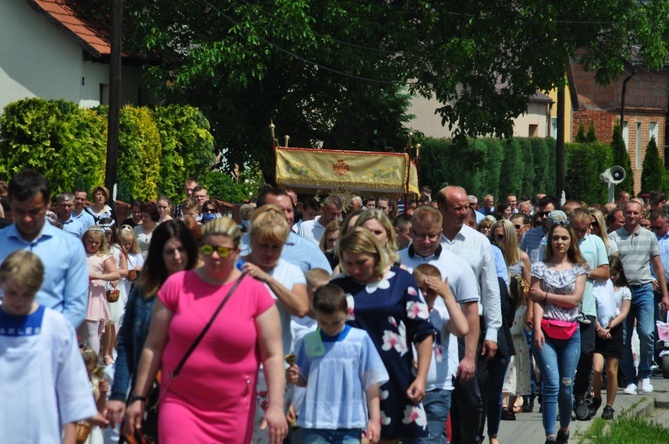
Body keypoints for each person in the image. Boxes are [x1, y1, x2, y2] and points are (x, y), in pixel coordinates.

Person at [124, 217, 288, 443]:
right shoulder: (177, 286)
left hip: (234, 411)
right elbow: (153, 345)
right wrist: (138, 397)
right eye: (208, 249)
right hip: (180, 403)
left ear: (238, 251)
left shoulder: (256, 294)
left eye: (222, 251)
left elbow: (273, 355)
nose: (213, 256)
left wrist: (276, 406)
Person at [332, 227, 436, 441]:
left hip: (394, 376)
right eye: (348, 263)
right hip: (348, 377)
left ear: (375, 255)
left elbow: (423, 330)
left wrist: (422, 378)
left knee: (389, 437)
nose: (355, 269)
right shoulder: (337, 286)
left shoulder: (401, 280)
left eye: (361, 262)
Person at [106, 220, 198, 429]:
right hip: (145, 390)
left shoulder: (203, 288)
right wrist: (119, 394)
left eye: (182, 249)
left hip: (190, 396)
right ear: (158, 254)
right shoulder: (144, 289)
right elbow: (127, 344)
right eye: (169, 251)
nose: (177, 257)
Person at [0, 250, 97, 443]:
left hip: (42, 430)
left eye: (26, 294)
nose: (19, 300)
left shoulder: (56, 326)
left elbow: (70, 389)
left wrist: (69, 438)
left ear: (37, 289)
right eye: (12, 293)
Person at [437, 185, 503, 444]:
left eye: (467, 207)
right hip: (437, 327)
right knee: (443, 393)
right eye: (458, 207)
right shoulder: (429, 239)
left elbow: (490, 289)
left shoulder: (479, 241)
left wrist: (493, 331)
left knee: (473, 397)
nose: (465, 212)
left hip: (470, 328)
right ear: (441, 208)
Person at [288, 284, 389, 443]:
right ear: (315, 313)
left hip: (350, 423)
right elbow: (303, 379)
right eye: (323, 322)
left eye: (336, 322)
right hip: (315, 422)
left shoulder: (359, 339)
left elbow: (371, 383)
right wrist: (294, 376)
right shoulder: (309, 340)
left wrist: (375, 421)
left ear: (346, 313)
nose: (329, 327)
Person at [0, 169, 88, 328]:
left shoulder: (70, 247)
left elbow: (76, 306)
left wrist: (49, 337)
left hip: (51, 342)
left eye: (34, 211)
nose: (27, 218)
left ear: (48, 204)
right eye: (20, 211)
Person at [529, 220, 588, 444]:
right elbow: (534, 301)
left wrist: (545, 295)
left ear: (571, 241)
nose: (560, 242)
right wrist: (536, 328)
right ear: (549, 241)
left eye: (564, 238)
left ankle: (564, 428)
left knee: (566, 385)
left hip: (571, 332)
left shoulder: (579, 268)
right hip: (546, 330)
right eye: (555, 238)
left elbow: (574, 300)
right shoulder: (540, 267)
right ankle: (550, 435)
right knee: (551, 384)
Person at [609, 200, 669, 395]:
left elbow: (658, 266)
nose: (632, 216)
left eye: (636, 213)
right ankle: (630, 379)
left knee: (647, 332)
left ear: (641, 214)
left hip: (644, 289)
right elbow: (612, 266)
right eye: (628, 213)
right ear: (623, 214)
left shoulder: (649, 236)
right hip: (622, 291)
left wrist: (665, 294)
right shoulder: (613, 237)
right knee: (624, 337)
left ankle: (644, 374)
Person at [412, 264, 469, 444]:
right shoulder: (404, 315)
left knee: (428, 439)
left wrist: (447, 295)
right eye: (420, 289)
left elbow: (462, 328)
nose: (425, 294)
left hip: (438, 389)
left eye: (431, 290)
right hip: (409, 389)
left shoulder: (441, 314)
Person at [492, 220, 532, 423]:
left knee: (517, 353)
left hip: (518, 307)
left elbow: (529, 287)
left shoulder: (521, 258)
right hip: (499, 306)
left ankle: (512, 401)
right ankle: (500, 400)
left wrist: (529, 312)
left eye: (502, 236)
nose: (499, 240)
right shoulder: (491, 256)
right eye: (495, 236)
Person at [241, 188, 333, 275]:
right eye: (279, 210)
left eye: (289, 211)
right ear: (260, 213)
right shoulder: (239, 250)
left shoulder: (309, 251)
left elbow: (327, 287)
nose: (286, 217)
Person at [591, 256, 631, 420]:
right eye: (609, 274)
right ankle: (597, 398)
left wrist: (609, 327)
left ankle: (609, 406)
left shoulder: (624, 290)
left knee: (611, 370)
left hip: (613, 330)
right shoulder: (597, 287)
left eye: (614, 274)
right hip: (598, 330)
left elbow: (623, 312)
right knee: (597, 369)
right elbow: (591, 308)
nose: (611, 277)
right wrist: (599, 327)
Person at [81, 227, 120, 360]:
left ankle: (92, 364)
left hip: (94, 295)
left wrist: (99, 276)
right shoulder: (79, 253)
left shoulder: (103, 257)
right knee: (79, 331)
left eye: (96, 243)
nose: (93, 245)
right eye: (90, 242)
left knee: (92, 330)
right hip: (79, 293)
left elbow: (115, 274)